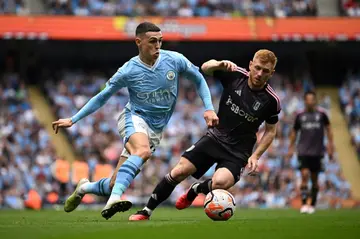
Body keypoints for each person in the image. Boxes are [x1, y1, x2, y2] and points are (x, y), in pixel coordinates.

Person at [51, 22, 219, 220]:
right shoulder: (128, 71)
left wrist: (208, 108)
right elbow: (102, 97)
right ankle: (113, 200)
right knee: (142, 151)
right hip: (134, 118)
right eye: (152, 42)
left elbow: (199, 78)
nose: (158, 46)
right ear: (138, 42)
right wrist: (73, 119)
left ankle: (84, 188)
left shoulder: (174, 60)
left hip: (156, 130)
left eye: (160, 41)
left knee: (115, 182)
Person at [128, 49, 281, 221]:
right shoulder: (234, 74)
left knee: (220, 183)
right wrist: (218, 64)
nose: (260, 74)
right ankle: (146, 211)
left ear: (271, 73)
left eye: (265, 71)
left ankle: (196, 190)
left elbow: (270, 131)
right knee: (179, 172)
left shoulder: (271, 101)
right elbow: (205, 68)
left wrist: (256, 155)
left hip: (238, 151)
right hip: (215, 138)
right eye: (258, 68)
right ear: (251, 65)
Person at [287, 91, 334, 214]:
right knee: (304, 175)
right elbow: (294, 132)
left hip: (318, 152)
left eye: (312, 99)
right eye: (308, 99)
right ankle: (303, 203)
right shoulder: (300, 115)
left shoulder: (322, 114)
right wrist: (291, 148)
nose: (310, 102)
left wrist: (330, 145)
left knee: (314, 180)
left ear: (315, 101)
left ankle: (312, 204)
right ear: (305, 101)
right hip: (303, 151)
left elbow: (328, 129)